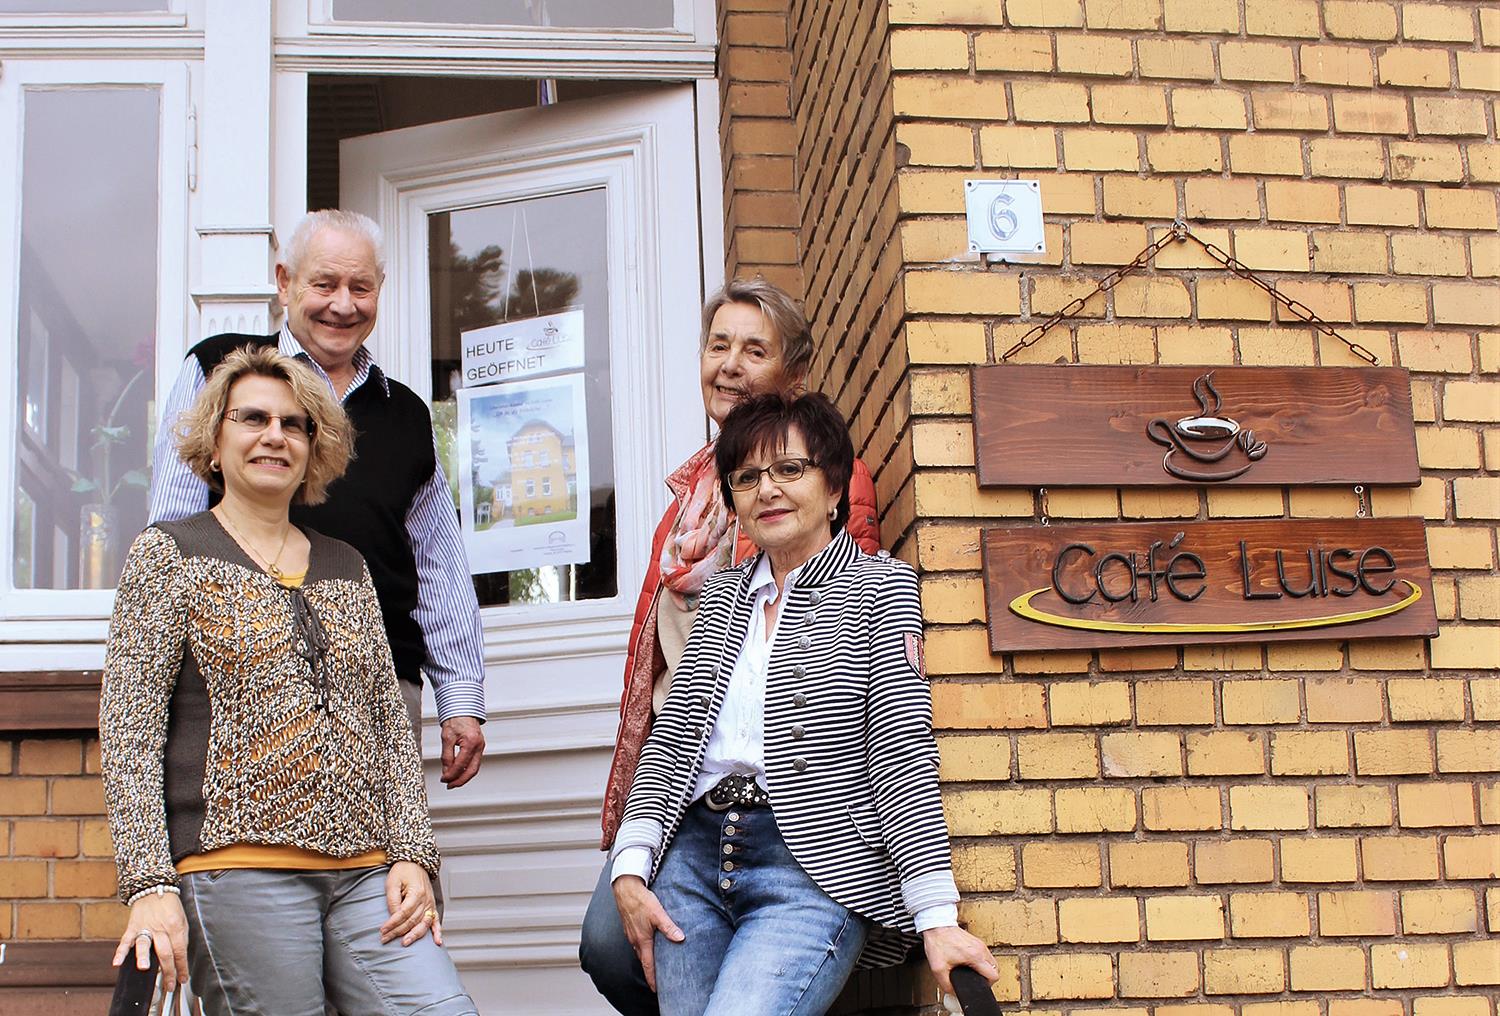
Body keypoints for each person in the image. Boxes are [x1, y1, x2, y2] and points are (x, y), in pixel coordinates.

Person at [101, 347, 477, 1015]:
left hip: (367, 875)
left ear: (314, 447)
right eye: (253, 419)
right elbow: (130, 732)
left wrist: (413, 855)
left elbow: (389, 726)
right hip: (237, 870)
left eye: (294, 424)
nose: (275, 436)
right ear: (214, 441)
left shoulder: (347, 564)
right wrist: (149, 884)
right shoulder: (169, 554)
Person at [610, 392, 998, 1015]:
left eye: (789, 469)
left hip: (813, 873)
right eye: (747, 478)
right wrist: (631, 867)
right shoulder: (719, 598)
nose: (767, 489)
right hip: (691, 866)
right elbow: (670, 740)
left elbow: (900, 753)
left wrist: (936, 917)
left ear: (835, 486)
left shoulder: (879, 587)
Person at [581, 280, 881, 1014]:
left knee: (622, 946)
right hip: (684, 775)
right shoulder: (689, 498)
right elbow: (656, 661)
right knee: (609, 945)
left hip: (783, 792)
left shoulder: (821, 486)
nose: (731, 365)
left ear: (793, 375)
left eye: (755, 350)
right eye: (719, 346)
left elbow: (844, 630)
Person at [148, 209, 485, 788]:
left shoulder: (406, 414)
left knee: (387, 845)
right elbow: (172, 537)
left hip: (381, 688)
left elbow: (437, 564)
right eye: (324, 284)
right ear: (284, 282)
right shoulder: (219, 372)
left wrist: (460, 697)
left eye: (361, 287)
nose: (343, 305)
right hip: (240, 676)